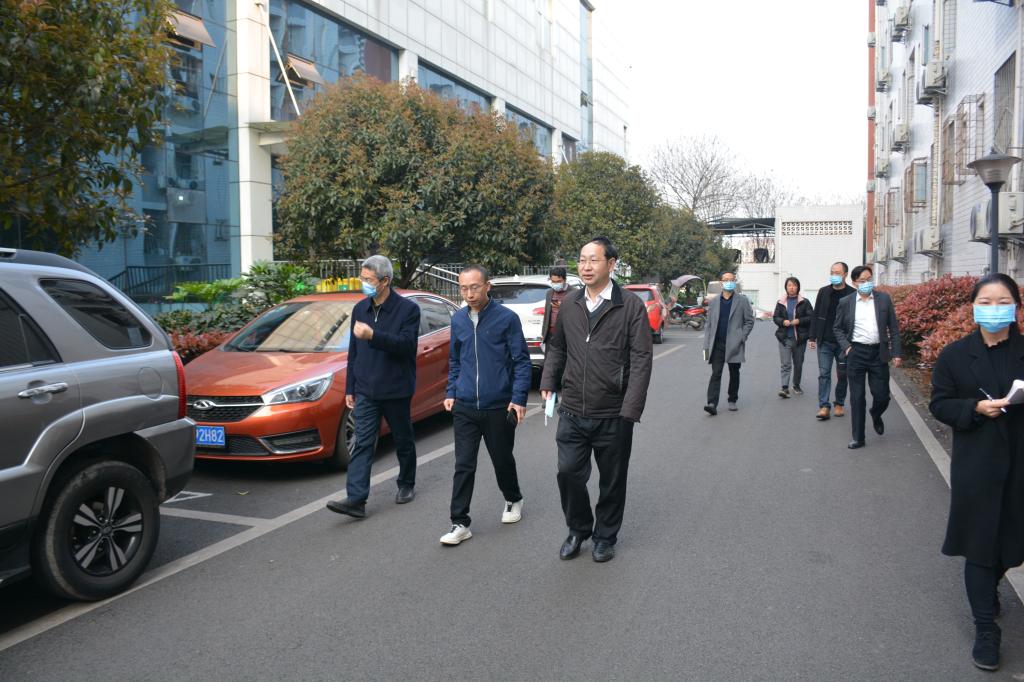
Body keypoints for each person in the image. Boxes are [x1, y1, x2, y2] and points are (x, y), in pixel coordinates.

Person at [929, 274, 1023, 672]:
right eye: (985, 301)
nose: (994, 308)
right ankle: (986, 628)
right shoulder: (955, 355)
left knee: (1013, 541)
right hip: (978, 466)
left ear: (1016, 307)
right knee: (980, 545)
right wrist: (974, 409)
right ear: (973, 307)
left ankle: (992, 583)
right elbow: (940, 404)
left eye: (1003, 301)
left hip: (1019, 463)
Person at [540, 236, 652, 563]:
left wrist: (630, 408)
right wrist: (549, 381)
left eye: (593, 260)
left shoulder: (629, 306)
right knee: (568, 473)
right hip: (572, 409)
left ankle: (605, 537)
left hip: (613, 412)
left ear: (611, 264)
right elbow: (558, 347)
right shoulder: (570, 304)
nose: (586, 266)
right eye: (582, 259)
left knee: (612, 481)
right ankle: (578, 529)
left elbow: (641, 358)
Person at [440, 265, 531, 546]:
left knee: (501, 459)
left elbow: (521, 361)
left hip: (498, 405)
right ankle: (459, 522)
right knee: (463, 464)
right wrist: (452, 391)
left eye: (474, 287)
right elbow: (455, 360)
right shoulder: (458, 320)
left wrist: (518, 398)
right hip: (465, 405)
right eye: (463, 288)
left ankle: (513, 498)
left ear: (487, 286)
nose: (469, 293)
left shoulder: (506, 319)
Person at [326, 255, 421, 518]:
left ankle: (406, 483)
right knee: (362, 443)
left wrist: (373, 335)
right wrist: (350, 387)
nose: (363, 283)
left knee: (403, 439)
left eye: (368, 279)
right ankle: (356, 499)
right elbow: (354, 352)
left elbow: (406, 346)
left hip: (396, 388)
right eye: (362, 278)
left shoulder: (408, 310)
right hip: (366, 390)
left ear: (385, 281)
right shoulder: (360, 309)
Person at [832, 264, 902, 449]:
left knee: (882, 395)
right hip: (856, 353)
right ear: (854, 282)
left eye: (869, 280)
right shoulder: (846, 302)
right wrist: (847, 347)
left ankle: (876, 413)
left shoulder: (883, 299)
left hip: (878, 353)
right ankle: (858, 437)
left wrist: (896, 352)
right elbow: (837, 328)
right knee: (857, 397)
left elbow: (893, 328)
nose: (866, 283)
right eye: (862, 280)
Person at [809, 262, 857, 420]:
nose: (834, 275)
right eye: (832, 272)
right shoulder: (823, 292)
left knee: (842, 375)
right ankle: (824, 406)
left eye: (837, 272)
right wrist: (812, 337)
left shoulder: (852, 294)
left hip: (844, 343)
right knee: (824, 374)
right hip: (825, 341)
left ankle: (839, 403)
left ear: (845, 274)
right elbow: (816, 314)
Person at [702, 272, 755, 415]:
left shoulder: (742, 300)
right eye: (726, 280)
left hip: (735, 344)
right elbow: (709, 326)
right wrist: (706, 348)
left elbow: (749, 321)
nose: (729, 282)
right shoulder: (714, 302)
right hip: (717, 344)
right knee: (716, 373)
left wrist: (742, 337)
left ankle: (732, 399)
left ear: (735, 281)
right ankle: (712, 403)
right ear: (721, 282)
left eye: (731, 280)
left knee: (734, 373)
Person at [773, 276, 814, 398]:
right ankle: (784, 388)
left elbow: (811, 317)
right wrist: (782, 321)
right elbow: (776, 317)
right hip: (784, 338)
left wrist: (799, 321)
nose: (792, 287)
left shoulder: (804, 302)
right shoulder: (781, 302)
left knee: (798, 363)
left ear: (798, 287)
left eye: (794, 285)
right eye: (789, 285)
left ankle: (796, 385)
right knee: (785, 364)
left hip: (799, 339)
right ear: (786, 287)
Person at [541, 265, 571, 349]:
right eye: (553, 281)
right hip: (551, 332)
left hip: (567, 333)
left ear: (565, 280)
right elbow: (547, 314)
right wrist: (543, 333)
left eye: (559, 281)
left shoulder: (574, 292)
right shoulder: (549, 293)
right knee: (550, 356)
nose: (556, 284)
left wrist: (562, 305)